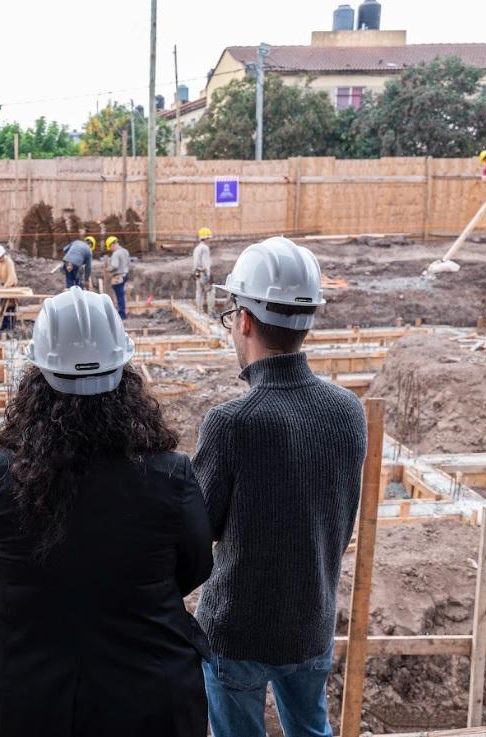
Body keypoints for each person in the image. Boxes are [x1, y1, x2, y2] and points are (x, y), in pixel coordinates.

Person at [0, 286, 213, 737]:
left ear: (38, 376)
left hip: (29, 698)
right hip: (149, 698)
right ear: (125, 375)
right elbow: (195, 567)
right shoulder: (170, 475)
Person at [194, 238, 367, 737]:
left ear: (244, 320)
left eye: (231, 318)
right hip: (310, 621)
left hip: (237, 632)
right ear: (308, 320)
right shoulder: (347, 412)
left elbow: (197, 529)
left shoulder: (233, 422)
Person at [0, 244, 18, 331]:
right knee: (3, 306)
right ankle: (3, 325)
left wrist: (6, 287)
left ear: (3, 255)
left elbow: (11, 277)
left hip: (11, 286)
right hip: (3, 286)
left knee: (10, 307)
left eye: (0, 257)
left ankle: (10, 326)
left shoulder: (9, 262)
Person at [106, 235, 131, 319]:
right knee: (121, 295)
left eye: (110, 247)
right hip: (125, 275)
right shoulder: (125, 251)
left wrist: (108, 269)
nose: (111, 249)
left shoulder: (116, 253)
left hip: (118, 277)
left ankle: (122, 314)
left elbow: (114, 266)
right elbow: (129, 263)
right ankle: (122, 312)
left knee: (119, 296)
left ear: (112, 245)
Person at [193, 228, 214, 314]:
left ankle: (199, 311)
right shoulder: (205, 248)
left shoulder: (197, 248)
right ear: (205, 238)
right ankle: (211, 313)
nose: (209, 239)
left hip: (197, 273)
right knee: (210, 292)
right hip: (204, 273)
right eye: (208, 238)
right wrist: (208, 275)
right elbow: (205, 263)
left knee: (199, 292)